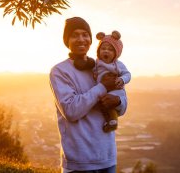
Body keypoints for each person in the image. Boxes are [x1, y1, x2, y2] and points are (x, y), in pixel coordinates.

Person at [49, 17, 127, 173]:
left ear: (91, 40)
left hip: (108, 158)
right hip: (79, 162)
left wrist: (118, 101)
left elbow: (123, 106)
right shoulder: (59, 71)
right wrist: (102, 87)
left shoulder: (102, 67)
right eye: (74, 35)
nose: (81, 39)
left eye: (85, 34)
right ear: (67, 40)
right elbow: (71, 111)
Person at [94, 31, 131, 133]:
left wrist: (122, 79)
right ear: (98, 51)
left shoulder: (118, 65)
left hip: (116, 90)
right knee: (101, 105)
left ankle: (113, 121)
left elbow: (128, 74)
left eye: (110, 50)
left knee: (109, 106)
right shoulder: (97, 63)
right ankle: (110, 121)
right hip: (102, 90)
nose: (106, 51)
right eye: (103, 48)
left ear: (116, 53)